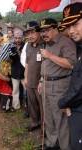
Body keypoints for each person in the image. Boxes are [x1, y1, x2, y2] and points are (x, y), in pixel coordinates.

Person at [38, 18, 77, 150]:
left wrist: (49, 55)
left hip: (59, 86)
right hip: (46, 85)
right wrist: (41, 80)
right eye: (42, 31)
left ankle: (65, 147)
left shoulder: (66, 42)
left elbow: (71, 64)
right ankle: (52, 144)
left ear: (56, 29)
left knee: (61, 120)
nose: (44, 34)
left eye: (47, 30)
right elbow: (45, 65)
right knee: (49, 118)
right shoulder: (46, 44)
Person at [58, 2, 82, 150]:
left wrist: (63, 102)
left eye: (76, 24)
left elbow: (79, 88)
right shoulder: (79, 48)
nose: (71, 31)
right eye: (68, 26)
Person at [24, 21, 43, 131]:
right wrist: (26, 78)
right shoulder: (28, 46)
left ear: (39, 32)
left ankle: (44, 127)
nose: (30, 36)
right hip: (30, 80)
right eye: (28, 33)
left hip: (40, 81)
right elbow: (27, 63)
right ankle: (35, 122)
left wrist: (41, 80)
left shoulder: (44, 45)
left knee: (42, 105)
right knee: (32, 103)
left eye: (32, 32)